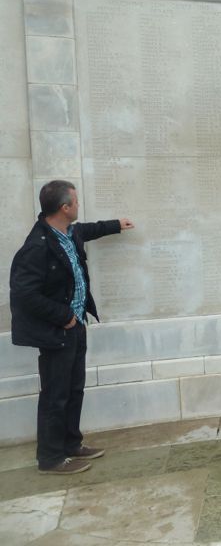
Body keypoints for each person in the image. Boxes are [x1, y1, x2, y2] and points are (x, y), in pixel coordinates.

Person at [10, 180, 135, 475]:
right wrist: (63, 316)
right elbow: (24, 294)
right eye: (76, 203)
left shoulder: (68, 232)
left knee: (73, 388)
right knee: (56, 394)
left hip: (76, 326)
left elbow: (88, 229)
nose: (79, 207)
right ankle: (51, 458)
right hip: (58, 330)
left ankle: (70, 443)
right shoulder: (37, 246)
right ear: (64, 208)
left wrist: (116, 224)